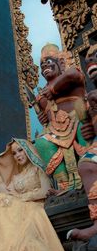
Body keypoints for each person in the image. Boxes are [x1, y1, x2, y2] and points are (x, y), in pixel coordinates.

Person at [34, 43, 88, 193]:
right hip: (56, 130)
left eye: (49, 61)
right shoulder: (42, 94)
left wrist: (53, 88)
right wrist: (44, 115)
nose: (45, 65)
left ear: (61, 62)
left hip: (78, 120)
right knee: (41, 143)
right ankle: (64, 186)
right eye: (42, 64)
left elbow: (73, 75)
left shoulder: (72, 74)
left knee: (85, 126)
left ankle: (90, 178)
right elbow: (48, 115)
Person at [69, 44, 97, 240]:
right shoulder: (87, 99)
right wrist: (89, 128)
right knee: (87, 163)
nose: (91, 63)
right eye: (88, 61)